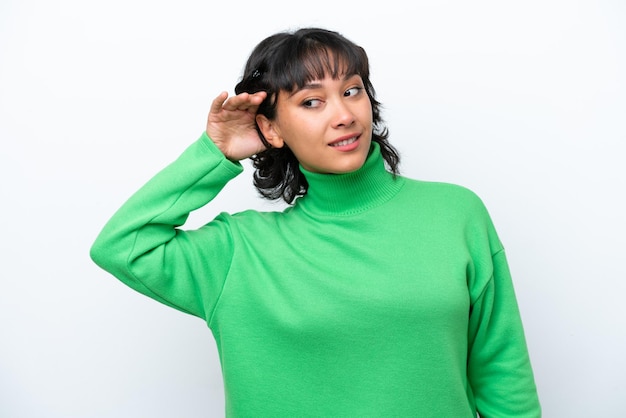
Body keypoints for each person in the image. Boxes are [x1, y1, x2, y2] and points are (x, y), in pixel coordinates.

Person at [90, 27, 541, 417]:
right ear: (271, 130)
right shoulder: (238, 253)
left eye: (352, 91)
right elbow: (122, 245)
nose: (344, 115)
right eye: (311, 102)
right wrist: (215, 153)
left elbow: (503, 375)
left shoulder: (455, 214)